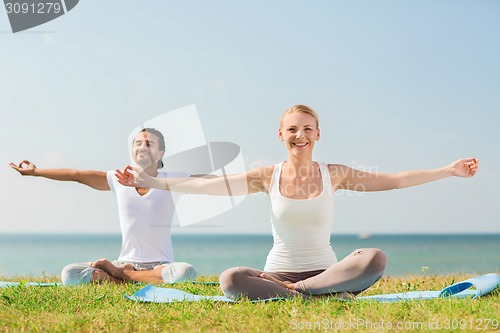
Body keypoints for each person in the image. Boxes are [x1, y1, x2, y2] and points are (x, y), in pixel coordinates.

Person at [113, 105, 479, 300]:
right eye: (292, 129)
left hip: (327, 271)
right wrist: (151, 182)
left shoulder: (333, 173)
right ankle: (308, 294)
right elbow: (213, 185)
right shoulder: (266, 175)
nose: (299, 135)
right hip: (278, 273)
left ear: (317, 135)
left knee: (374, 258)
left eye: (307, 128)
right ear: (281, 135)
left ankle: (299, 294)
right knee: (231, 279)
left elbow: (395, 181)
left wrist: (447, 170)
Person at [9, 128, 197, 285]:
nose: (141, 146)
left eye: (148, 144)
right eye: (137, 143)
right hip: (124, 262)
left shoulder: (171, 181)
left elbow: (212, 183)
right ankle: (129, 275)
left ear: (160, 153)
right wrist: (36, 172)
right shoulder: (118, 180)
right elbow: (76, 174)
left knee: (185, 272)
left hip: (160, 266)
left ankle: (123, 276)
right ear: (132, 151)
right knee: (70, 273)